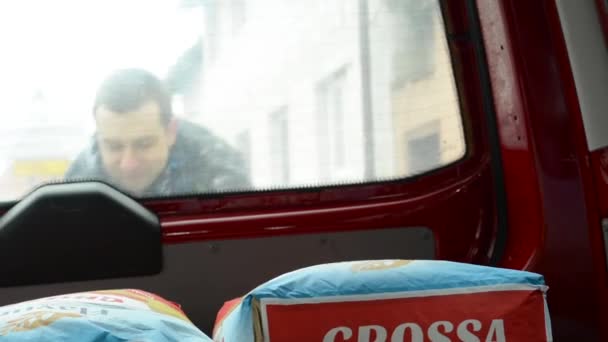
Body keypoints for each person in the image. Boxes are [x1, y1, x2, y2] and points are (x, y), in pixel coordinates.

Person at [65, 68, 249, 196]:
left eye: (144, 144)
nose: (129, 164)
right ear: (98, 138)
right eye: (114, 147)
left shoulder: (217, 168)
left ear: (171, 132)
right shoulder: (78, 186)